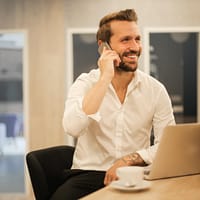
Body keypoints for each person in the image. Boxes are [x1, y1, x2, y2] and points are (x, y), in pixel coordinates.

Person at [51, 8, 175, 200]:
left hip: (136, 174)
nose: (134, 47)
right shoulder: (85, 83)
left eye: (137, 39)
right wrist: (104, 79)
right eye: (125, 40)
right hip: (88, 175)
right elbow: (73, 128)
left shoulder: (156, 90)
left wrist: (128, 160)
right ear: (104, 46)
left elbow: (167, 145)